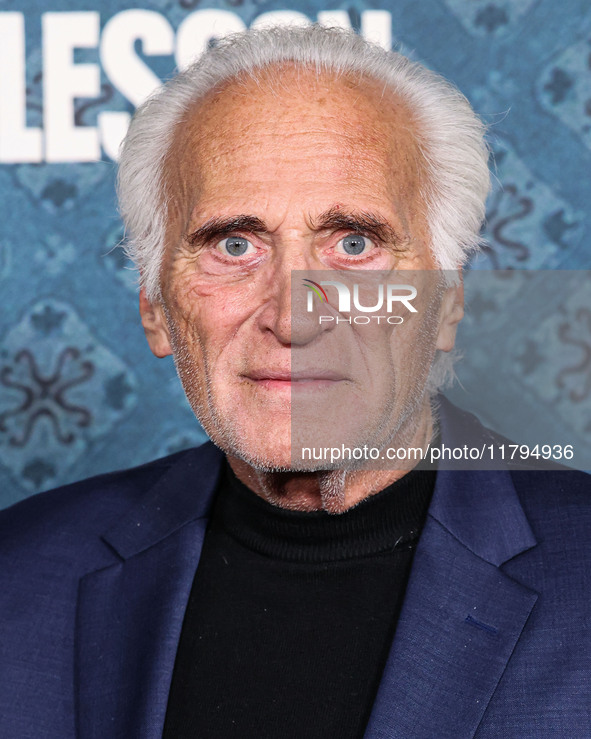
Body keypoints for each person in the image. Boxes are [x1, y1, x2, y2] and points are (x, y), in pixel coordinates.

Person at [0, 24, 589, 739]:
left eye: (352, 243)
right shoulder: (18, 578)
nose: (292, 316)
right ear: (155, 307)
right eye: (234, 244)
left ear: (447, 302)